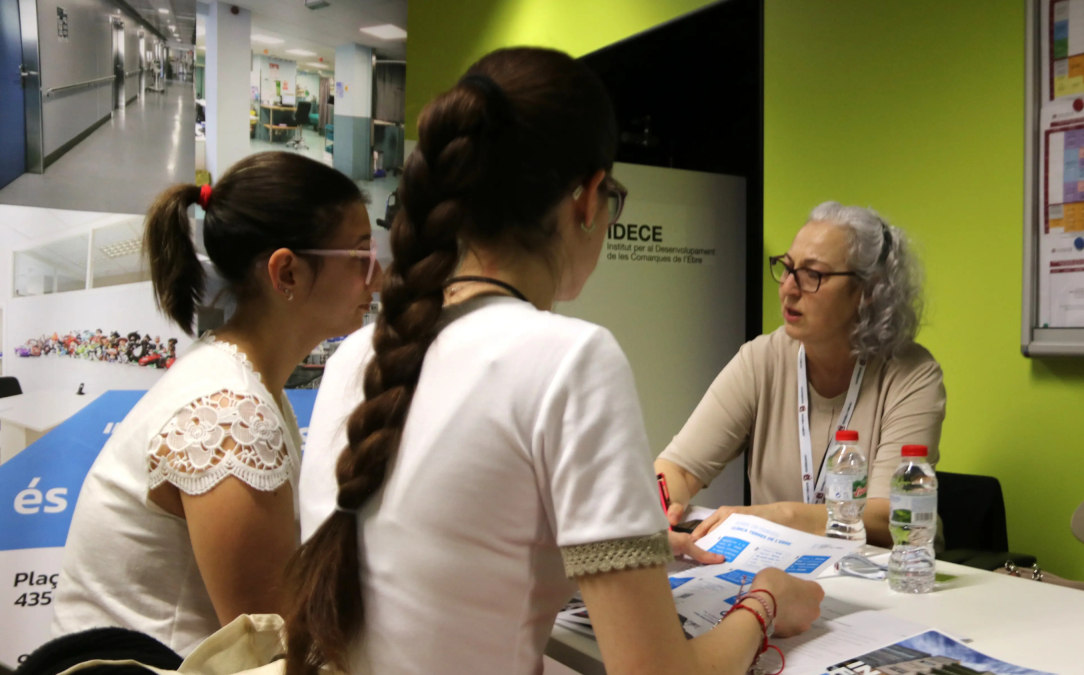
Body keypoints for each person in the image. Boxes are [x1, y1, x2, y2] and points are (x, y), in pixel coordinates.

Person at [288, 47, 824, 675]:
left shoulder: (362, 353)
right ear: (587, 199)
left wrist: (616, 554)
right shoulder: (571, 359)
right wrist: (764, 603)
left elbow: (448, 565)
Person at [50, 151, 382, 655]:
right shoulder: (229, 413)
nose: (375, 280)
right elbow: (273, 646)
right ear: (286, 273)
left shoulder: (241, 379)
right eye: (360, 258)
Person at [656, 202, 946, 547]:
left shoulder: (912, 375)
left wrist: (776, 518)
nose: (788, 288)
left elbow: (889, 517)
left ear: (869, 290)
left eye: (813, 275)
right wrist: (657, 507)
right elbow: (681, 469)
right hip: (778, 569)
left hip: (883, 576)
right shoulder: (762, 359)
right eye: (787, 268)